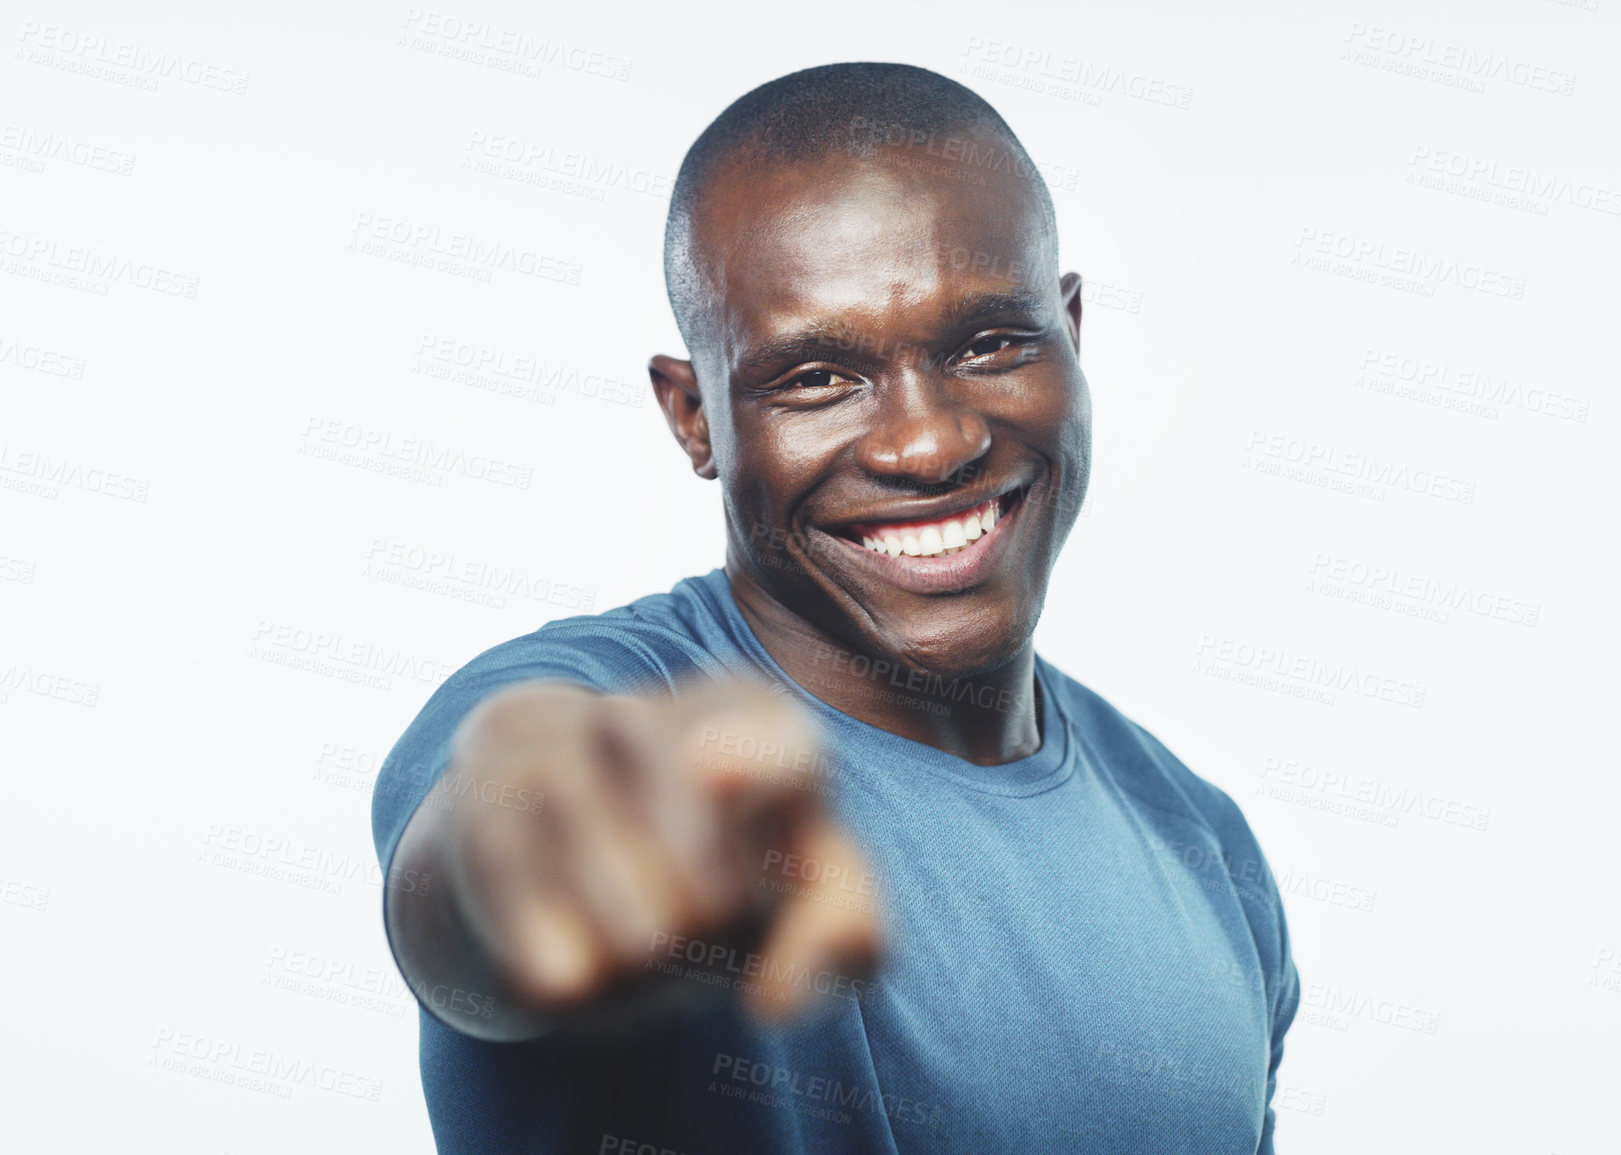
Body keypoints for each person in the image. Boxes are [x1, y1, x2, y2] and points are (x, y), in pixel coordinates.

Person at [372, 61, 1300, 1154]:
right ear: (694, 418)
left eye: (988, 343)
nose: (931, 443)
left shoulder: (1203, 845)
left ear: (1074, 332)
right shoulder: (606, 702)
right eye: (816, 377)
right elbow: (480, 892)